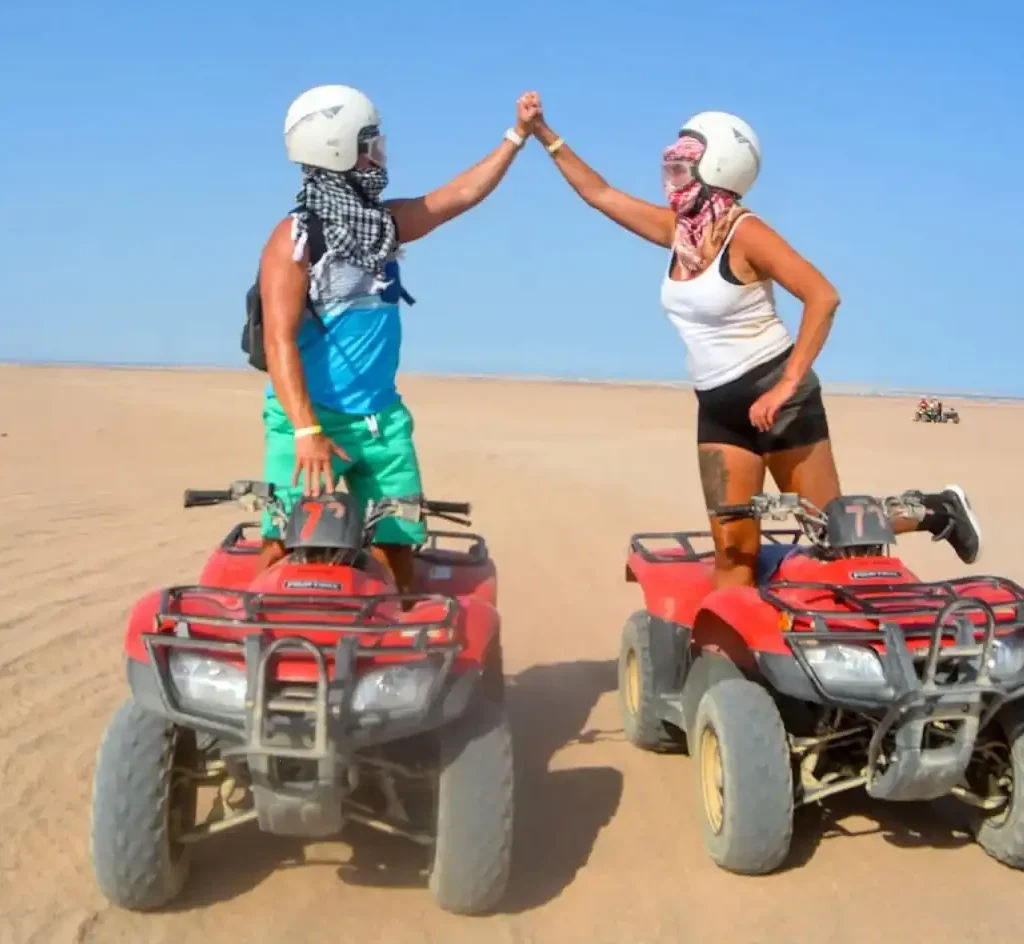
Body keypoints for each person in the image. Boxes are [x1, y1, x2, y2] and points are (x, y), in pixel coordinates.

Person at [520, 91, 982, 588]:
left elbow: (823, 297)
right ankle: (723, 665)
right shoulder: (680, 232)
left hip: (779, 399)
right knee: (734, 556)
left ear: (717, 170)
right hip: (718, 409)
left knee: (836, 535)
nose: (669, 178)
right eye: (669, 167)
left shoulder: (748, 234)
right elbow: (601, 194)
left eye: (681, 168)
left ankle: (937, 510)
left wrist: (785, 387)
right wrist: (545, 134)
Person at [254, 85, 540, 591]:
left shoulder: (383, 225)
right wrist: (306, 432)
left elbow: (460, 195)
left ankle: (394, 659)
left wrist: (517, 136)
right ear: (339, 151)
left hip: (380, 421)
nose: (379, 155)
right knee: (284, 546)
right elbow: (278, 342)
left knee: (396, 549)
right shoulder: (294, 239)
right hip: (307, 420)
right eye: (369, 144)